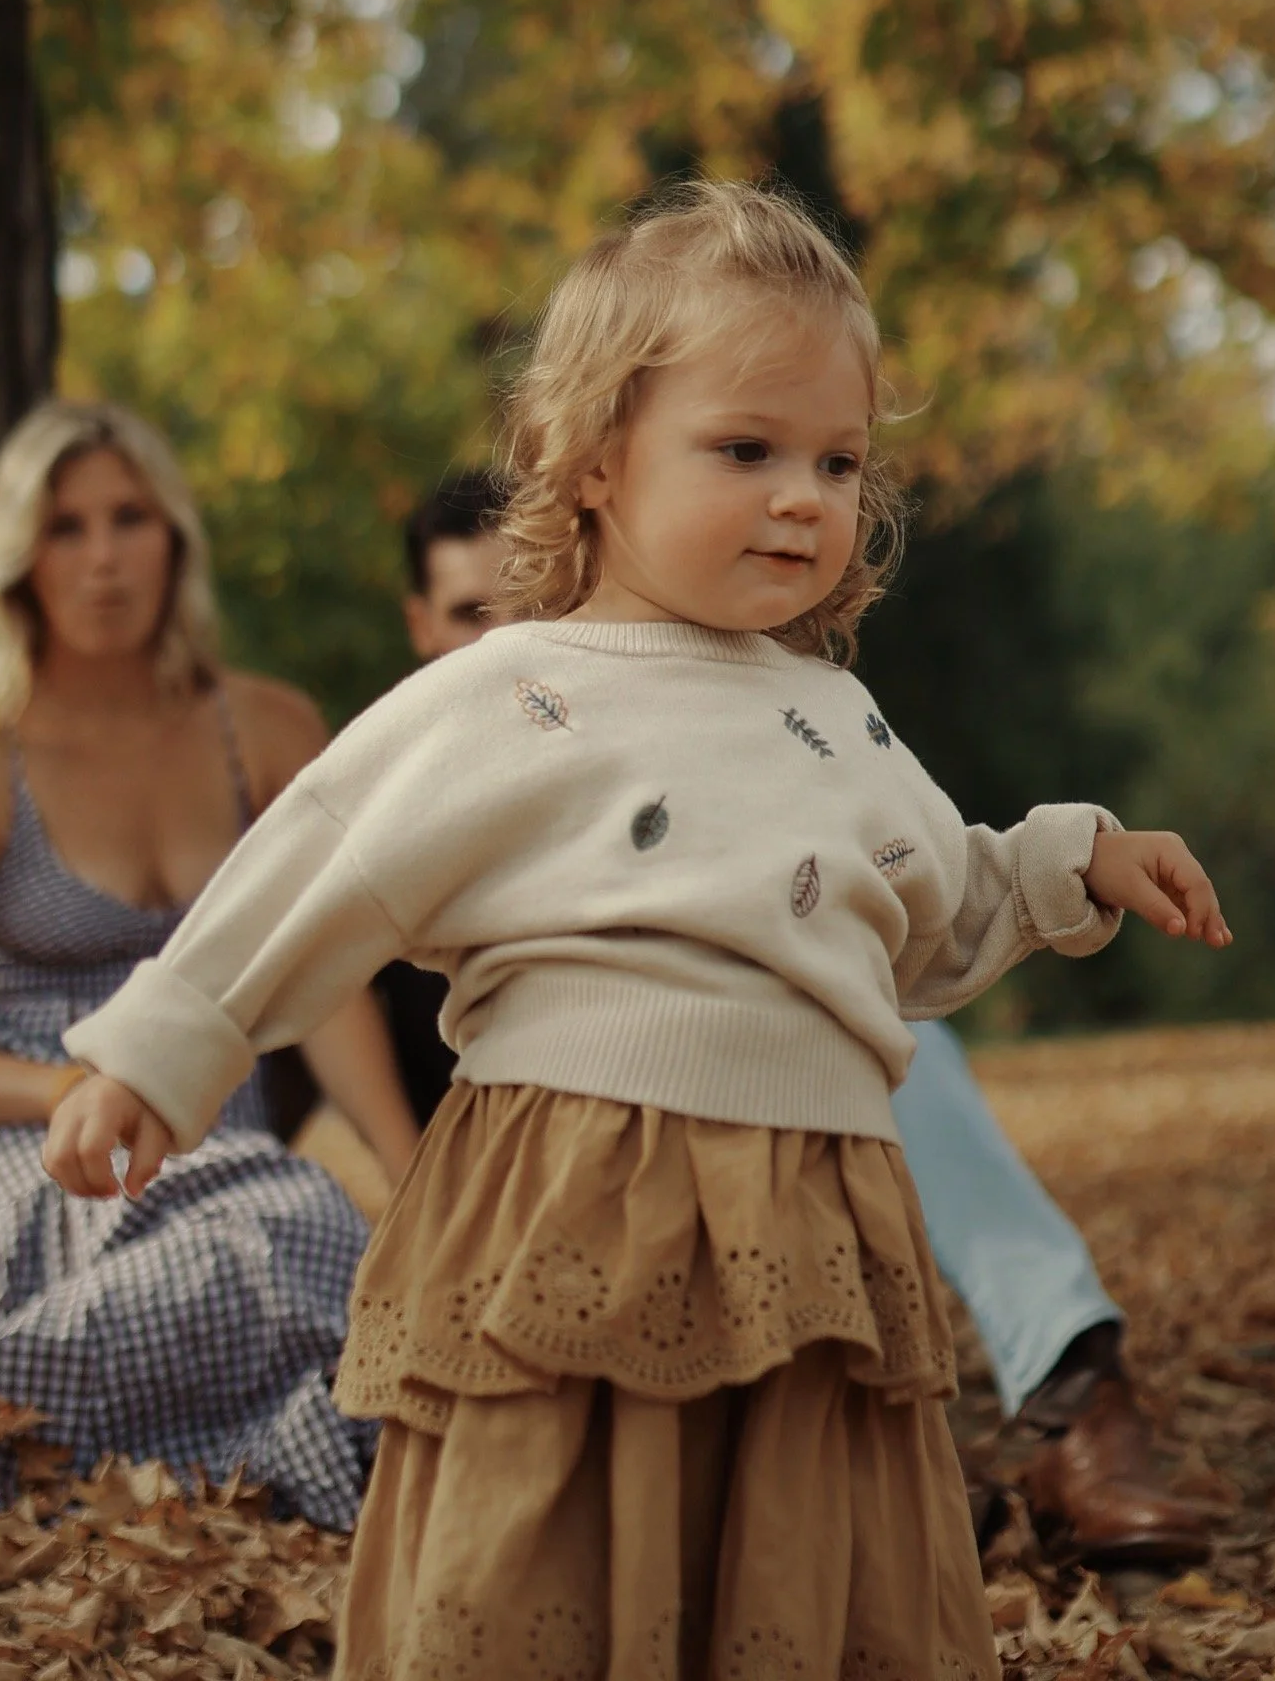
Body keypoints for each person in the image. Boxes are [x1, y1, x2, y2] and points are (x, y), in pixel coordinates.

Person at [47, 183, 1229, 1681]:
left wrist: (1080, 861)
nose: (805, 495)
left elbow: (931, 915)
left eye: (839, 460)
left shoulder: (836, 716)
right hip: (574, 1184)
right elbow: (320, 858)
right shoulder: (516, 686)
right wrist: (164, 1049)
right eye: (746, 449)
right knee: (550, 1531)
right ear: (596, 457)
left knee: (792, 1546)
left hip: (809, 1218)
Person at [377, 472, 1216, 1567]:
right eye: (468, 616)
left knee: (878, 1032)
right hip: (531, 1179)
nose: (502, 643)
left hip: (740, 1097)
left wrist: (1068, 863)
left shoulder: (668, 760)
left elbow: (905, 894)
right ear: (418, 627)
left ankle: (1076, 1393)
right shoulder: (399, 801)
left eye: (526, 608)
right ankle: (855, 1468)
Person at [0, 399, 420, 1545]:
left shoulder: (264, 728)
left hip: (217, 1148)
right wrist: (70, 1092)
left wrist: (413, 1183)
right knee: (291, 1247)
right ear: (19, 559)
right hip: (15, 1149)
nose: (104, 559)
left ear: (175, 539)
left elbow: (327, 983)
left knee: (316, 1243)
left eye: (130, 519)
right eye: (66, 528)